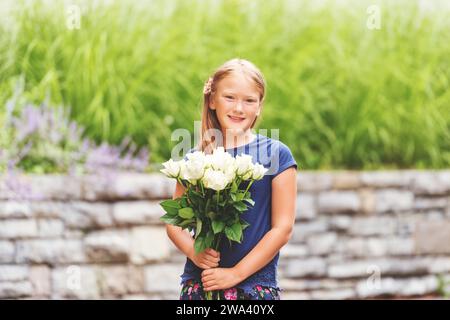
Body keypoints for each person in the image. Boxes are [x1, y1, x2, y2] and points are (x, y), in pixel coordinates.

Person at [166, 58, 298, 300]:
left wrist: (236, 274)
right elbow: (173, 223)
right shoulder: (196, 159)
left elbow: (283, 228)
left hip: (253, 288)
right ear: (213, 100)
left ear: (259, 106)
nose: (239, 108)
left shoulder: (277, 154)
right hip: (201, 285)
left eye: (249, 100)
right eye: (230, 98)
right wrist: (195, 253)